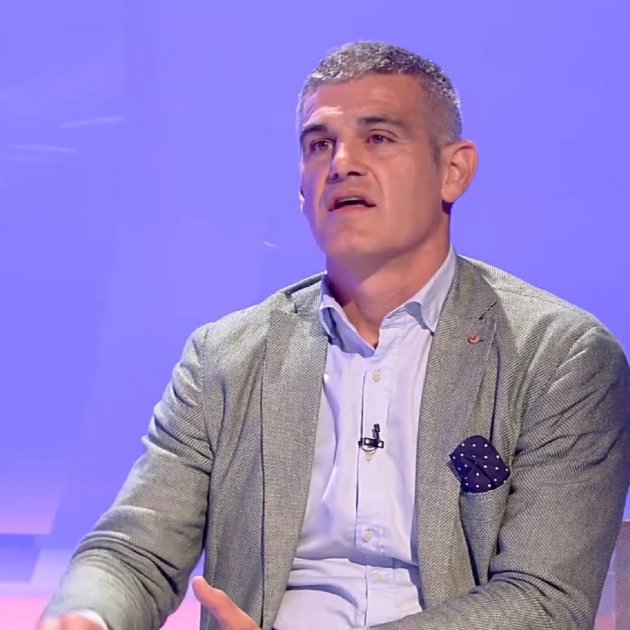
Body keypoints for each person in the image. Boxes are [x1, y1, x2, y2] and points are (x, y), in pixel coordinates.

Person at [39, 41, 629, 630]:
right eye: (319, 145)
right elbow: (136, 550)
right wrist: (88, 617)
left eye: (379, 137)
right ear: (302, 191)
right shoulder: (224, 358)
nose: (342, 163)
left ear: (453, 171)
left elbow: (543, 601)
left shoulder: (559, 357)